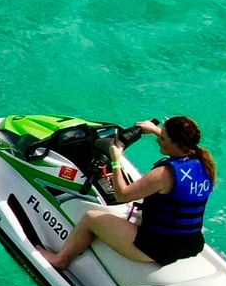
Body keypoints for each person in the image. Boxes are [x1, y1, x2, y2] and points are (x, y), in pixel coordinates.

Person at [43, 115, 216, 272]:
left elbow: (122, 195)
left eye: (163, 138)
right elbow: (178, 151)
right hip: (191, 243)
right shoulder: (204, 163)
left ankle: (61, 260)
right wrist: (154, 130)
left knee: (91, 218)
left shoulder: (164, 174)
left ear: (176, 143)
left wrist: (116, 160)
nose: (158, 140)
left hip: (158, 248)